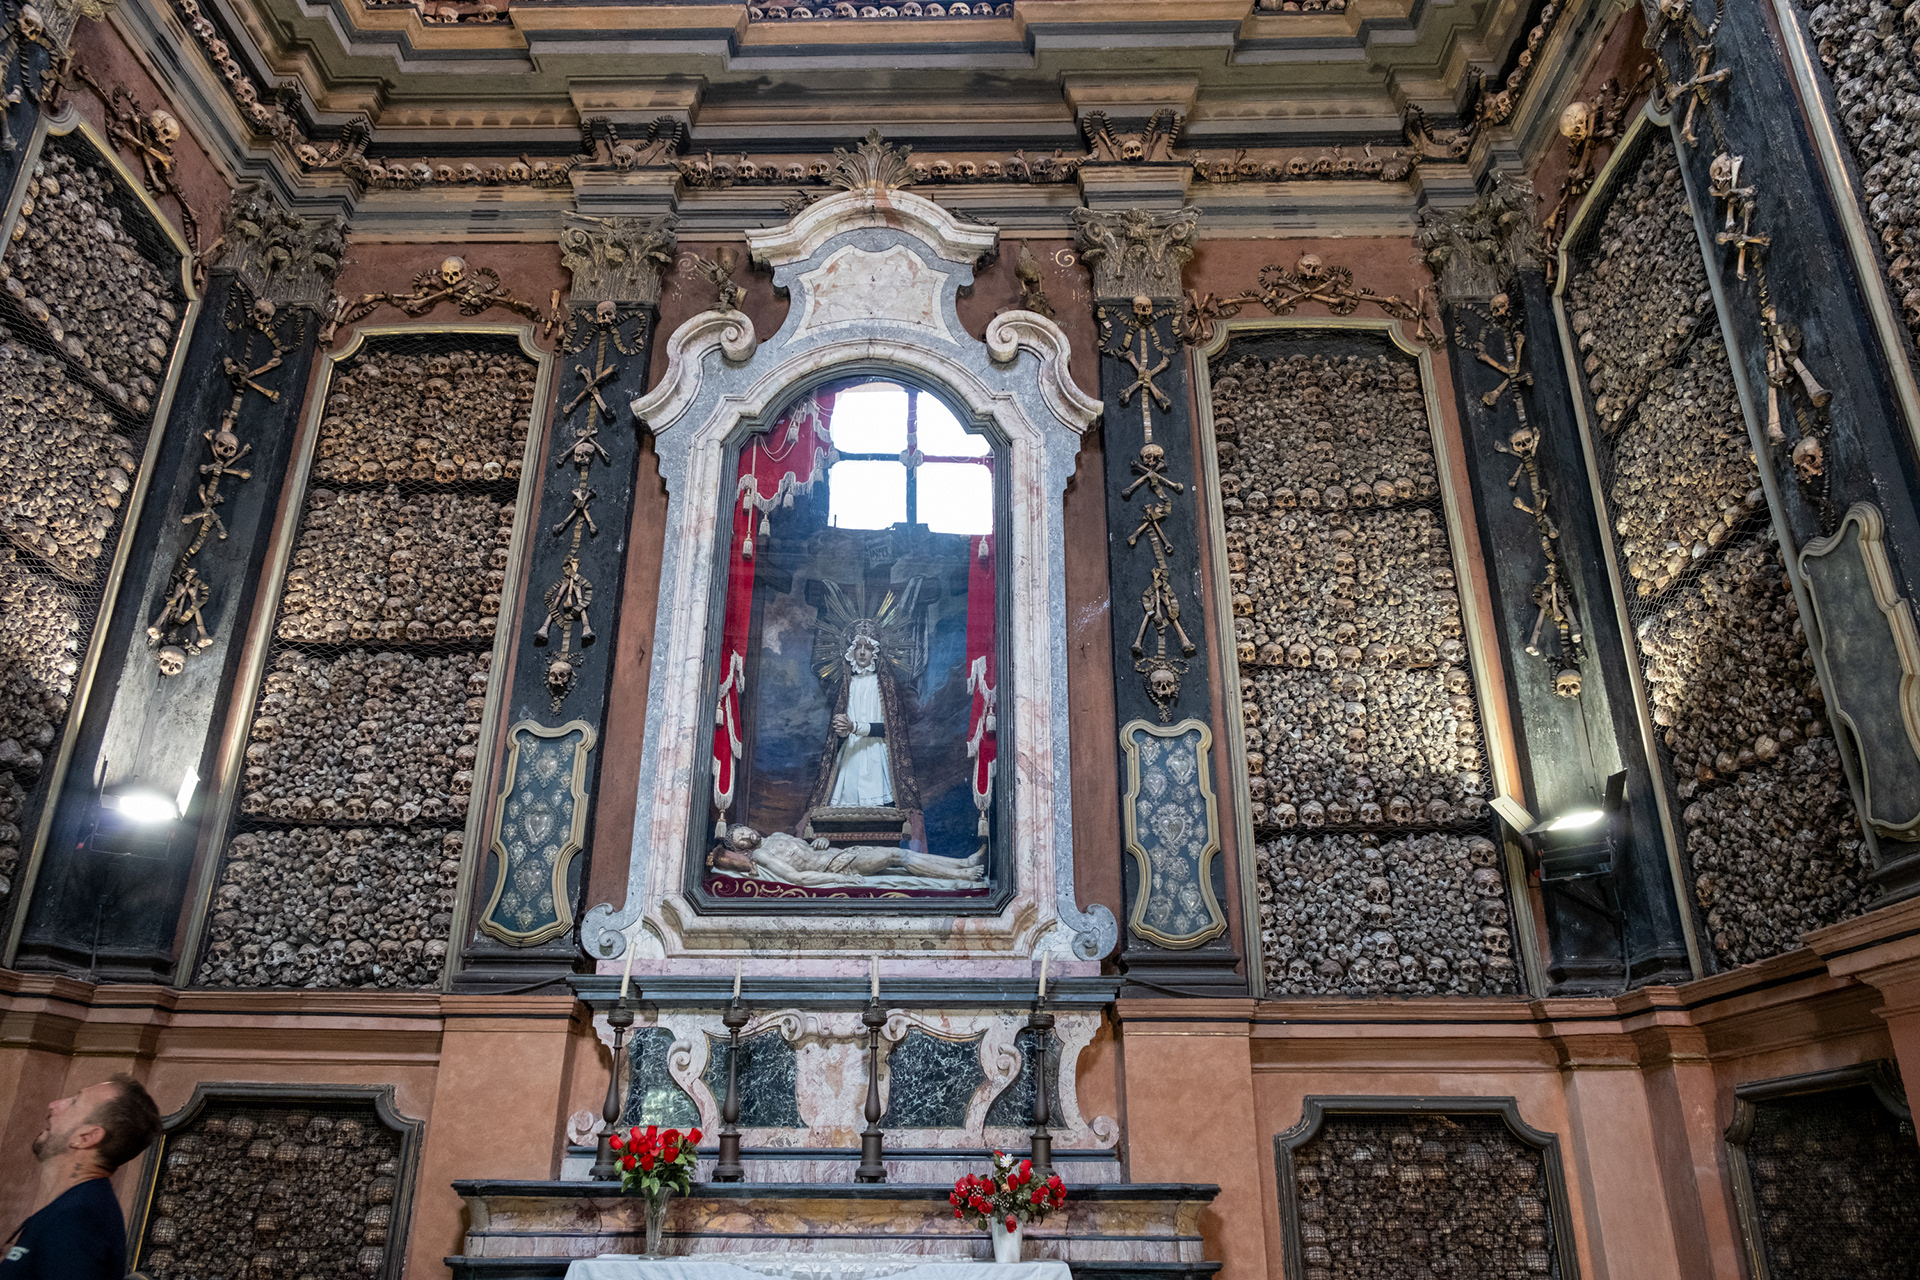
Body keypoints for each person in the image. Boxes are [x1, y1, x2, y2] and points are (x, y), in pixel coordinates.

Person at [1, 1074, 162, 1279]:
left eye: (74, 1102)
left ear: (85, 1138)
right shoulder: (75, 1207)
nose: (54, 1104)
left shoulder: (78, 1218)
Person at [710, 824, 984, 889]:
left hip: (842, 854)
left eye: (743, 830)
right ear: (742, 850)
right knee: (898, 856)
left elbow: (807, 848)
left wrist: (819, 841)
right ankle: (962, 874)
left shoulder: (778, 836)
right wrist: (839, 879)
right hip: (840, 867)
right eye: (741, 841)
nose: (747, 836)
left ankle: (964, 862)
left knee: (900, 865)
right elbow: (798, 877)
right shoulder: (764, 856)